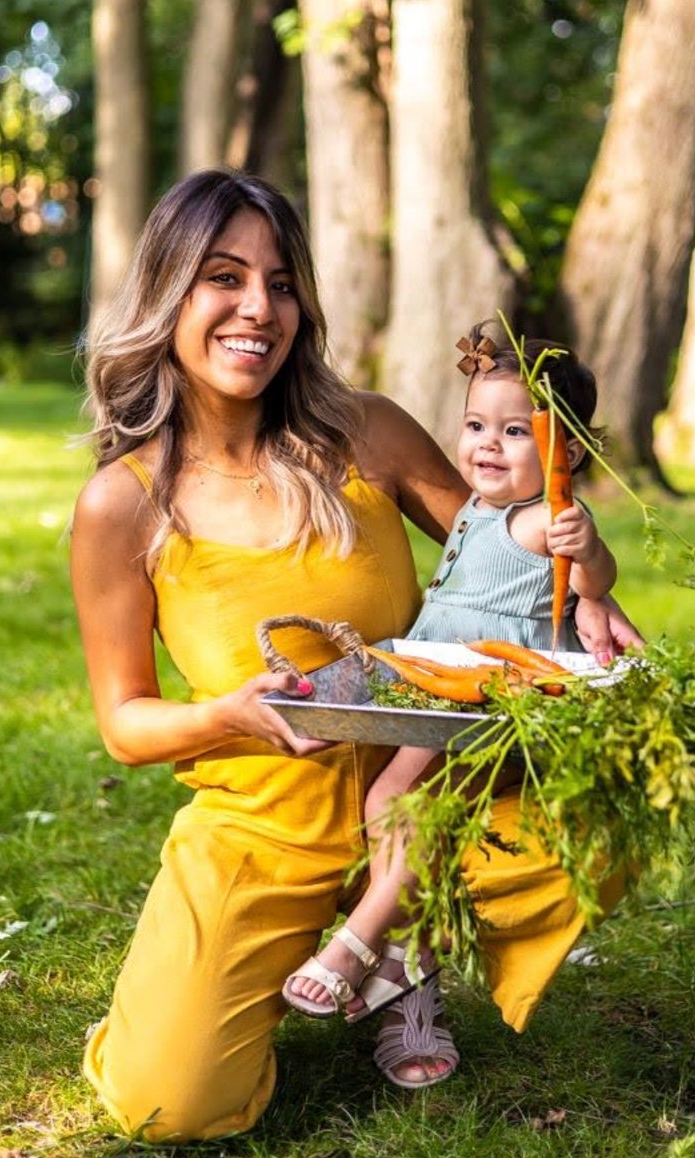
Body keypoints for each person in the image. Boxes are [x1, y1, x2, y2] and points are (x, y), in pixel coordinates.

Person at [71, 167, 640, 1142]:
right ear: (168, 291)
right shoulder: (124, 502)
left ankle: (397, 950)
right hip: (266, 828)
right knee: (167, 1102)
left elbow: (508, 549)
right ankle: (223, 980)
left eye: (282, 282)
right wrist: (228, 714)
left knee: (617, 790)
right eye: (224, 277)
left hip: (423, 802)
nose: (259, 307)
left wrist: (598, 600)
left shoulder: (366, 433)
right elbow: (126, 722)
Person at [282, 328, 617, 1073]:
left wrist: (589, 555)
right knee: (388, 799)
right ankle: (410, 956)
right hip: (439, 686)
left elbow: (590, 571)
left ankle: (360, 939)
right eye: (474, 426)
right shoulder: (477, 506)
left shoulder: (545, 519)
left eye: (513, 432)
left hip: (496, 699)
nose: (486, 445)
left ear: (565, 457)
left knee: (408, 802)